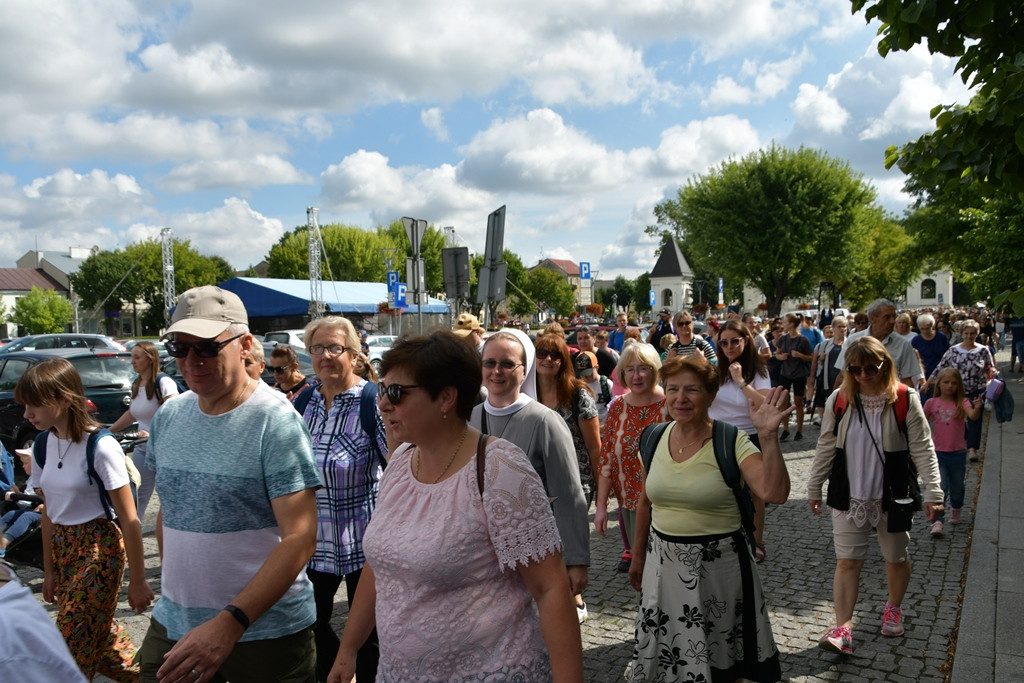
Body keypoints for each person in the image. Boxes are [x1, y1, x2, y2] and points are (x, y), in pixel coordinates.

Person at [328, 332, 584, 682]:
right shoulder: (401, 461)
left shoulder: (499, 469)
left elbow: (550, 588)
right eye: (383, 389)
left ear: (446, 397)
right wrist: (348, 649)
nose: (383, 404)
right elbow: (380, 566)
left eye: (397, 392)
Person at [138, 286, 321, 683]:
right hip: (174, 622)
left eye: (205, 347)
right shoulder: (170, 416)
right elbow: (170, 513)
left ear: (245, 345)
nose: (191, 360)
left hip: (263, 636)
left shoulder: (274, 421)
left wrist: (230, 622)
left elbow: (300, 538)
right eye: (179, 348)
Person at [628, 355, 790, 683]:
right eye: (672, 389)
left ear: (711, 395)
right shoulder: (652, 438)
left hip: (719, 574)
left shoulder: (731, 440)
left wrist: (768, 436)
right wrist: (637, 556)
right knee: (668, 656)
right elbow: (646, 502)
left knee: (719, 661)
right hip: (662, 570)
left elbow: (774, 492)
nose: (680, 398)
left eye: (692, 390)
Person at [16, 357, 153, 681]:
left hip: (98, 550)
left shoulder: (101, 446)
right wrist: (49, 570)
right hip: (64, 550)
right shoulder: (43, 444)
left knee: (69, 646)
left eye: (34, 405)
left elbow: (129, 518)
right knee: (103, 644)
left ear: (63, 399)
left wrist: (137, 579)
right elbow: (49, 511)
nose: (26, 414)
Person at [807, 336, 943, 655]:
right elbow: (826, 445)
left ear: (885, 365)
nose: (864, 375)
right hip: (848, 492)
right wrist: (814, 486)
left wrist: (934, 491)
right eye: (855, 368)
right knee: (847, 561)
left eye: (872, 367)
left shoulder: (904, 398)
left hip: (893, 492)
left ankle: (893, 607)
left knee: (895, 557)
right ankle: (843, 627)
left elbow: (923, 446)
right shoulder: (839, 400)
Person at [469, 329, 591, 619]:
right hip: (482, 554)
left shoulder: (545, 421)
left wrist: (575, 560)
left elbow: (569, 495)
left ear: (525, 370)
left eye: (507, 364)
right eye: (490, 363)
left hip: (533, 552)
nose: (497, 371)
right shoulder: (471, 418)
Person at [298, 316, 388, 682]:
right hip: (313, 544)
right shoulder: (305, 402)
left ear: (354, 355)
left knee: (369, 636)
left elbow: (399, 469)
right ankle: (336, 671)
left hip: (364, 545)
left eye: (335, 347)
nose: (325, 356)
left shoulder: (373, 403)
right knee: (308, 625)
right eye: (317, 348)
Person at [535, 333, 600, 621]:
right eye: (542, 353)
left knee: (565, 539)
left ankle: (575, 598)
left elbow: (594, 446)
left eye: (555, 354)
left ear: (564, 361)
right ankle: (548, 595)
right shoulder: (526, 392)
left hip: (576, 480)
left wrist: (602, 486)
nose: (548, 359)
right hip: (537, 479)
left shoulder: (577, 394)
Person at [594, 341, 666, 572]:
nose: (636, 375)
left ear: (655, 370)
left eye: (643, 368)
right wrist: (602, 507)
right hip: (630, 507)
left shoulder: (670, 405)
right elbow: (606, 461)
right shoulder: (617, 408)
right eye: (629, 369)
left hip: (667, 505)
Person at [708, 320, 773, 563]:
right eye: (723, 342)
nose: (729, 346)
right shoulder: (716, 370)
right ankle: (724, 538)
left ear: (746, 340)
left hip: (748, 436)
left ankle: (756, 541)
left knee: (754, 493)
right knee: (720, 490)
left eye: (735, 341)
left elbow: (764, 404)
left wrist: (740, 382)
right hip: (718, 435)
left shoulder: (758, 371)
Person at [109, 340, 180, 521]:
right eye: (132, 357)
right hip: (142, 449)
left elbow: (175, 415)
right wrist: (107, 432)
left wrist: (153, 434)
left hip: (166, 452)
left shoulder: (163, 382)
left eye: (137, 357)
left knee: (171, 498)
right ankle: (133, 538)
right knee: (136, 496)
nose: (132, 361)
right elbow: (132, 414)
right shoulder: (137, 384)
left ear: (150, 359)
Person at [0, 562, 89, 682]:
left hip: (93, 565)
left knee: (80, 626)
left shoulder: (10, 625)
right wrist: (49, 573)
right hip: (65, 562)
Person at [924, 318, 996, 462]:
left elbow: (990, 366)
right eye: (967, 333)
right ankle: (959, 443)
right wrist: (928, 382)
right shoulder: (953, 351)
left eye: (972, 334)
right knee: (958, 419)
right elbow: (940, 367)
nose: (969, 336)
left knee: (975, 418)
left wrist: (993, 371)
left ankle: (972, 449)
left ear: (977, 334)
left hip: (977, 389)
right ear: (962, 333)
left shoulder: (983, 350)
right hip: (957, 391)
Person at [923, 368, 982, 535]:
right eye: (946, 382)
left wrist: (977, 407)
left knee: (957, 487)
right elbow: (920, 422)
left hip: (957, 453)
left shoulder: (962, 402)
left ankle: (956, 508)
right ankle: (937, 521)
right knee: (941, 487)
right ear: (939, 384)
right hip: (938, 453)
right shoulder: (931, 403)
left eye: (954, 383)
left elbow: (973, 416)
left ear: (959, 386)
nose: (950, 386)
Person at [837, 299, 922, 388]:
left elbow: (907, 381)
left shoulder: (903, 345)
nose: (892, 321)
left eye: (894, 316)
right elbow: (842, 375)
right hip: (857, 399)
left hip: (891, 399)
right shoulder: (853, 341)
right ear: (872, 318)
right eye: (887, 317)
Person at [774, 313, 813, 441]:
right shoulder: (783, 339)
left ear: (791, 324)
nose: (783, 325)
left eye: (785, 322)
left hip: (799, 374)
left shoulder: (803, 340)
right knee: (783, 402)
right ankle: (785, 429)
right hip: (785, 373)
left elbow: (811, 357)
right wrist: (781, 357)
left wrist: (800, 355)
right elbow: (777, 354)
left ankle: (799, 430)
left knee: (798, 403)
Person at [810, 316, 848, 425]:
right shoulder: (825, 344)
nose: (842, 329)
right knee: (829, 400)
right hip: (827, 378)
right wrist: (821, 359)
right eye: (839, 326)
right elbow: (817, 362)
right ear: (834, 328)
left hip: (843, 379)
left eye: (844, 327)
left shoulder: (849, 343)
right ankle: (828, 420)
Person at [911, 313, 950, 401]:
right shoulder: (916, 341)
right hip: (924, 378)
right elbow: (914, 360)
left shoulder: (941, 337)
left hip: (941, 376)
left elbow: (948, 356)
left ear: (933, 326)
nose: (925, 331)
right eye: (922, 329)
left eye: (927, 328)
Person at [574, 350, 614, 425]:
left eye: (588, 373)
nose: (585, 377)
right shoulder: (578, 387)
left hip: (605, 427)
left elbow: (615, 408)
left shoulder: (607, 384)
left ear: (596, 368)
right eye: (582, 374)